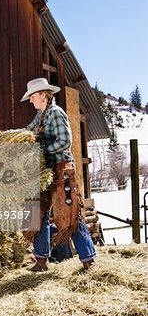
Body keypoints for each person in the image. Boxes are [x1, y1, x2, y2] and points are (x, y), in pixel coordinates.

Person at [20, 77, 96, 271]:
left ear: (43, 95)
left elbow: (64, 142)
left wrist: (42, 150)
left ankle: (89, 261)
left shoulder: (56, 113)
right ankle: (41, 261)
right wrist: (12, 138)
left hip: (62, 169)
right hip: (46, 171)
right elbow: (27, 133)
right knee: (40, 214)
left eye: (32, 96)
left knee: (70, 215)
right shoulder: (41, 116)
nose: (30, 101)